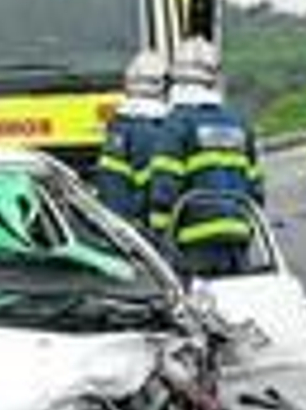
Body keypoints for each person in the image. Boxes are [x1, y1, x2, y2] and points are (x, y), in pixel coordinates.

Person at [147, 39, 264, 276]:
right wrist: (246, 229)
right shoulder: (239, 123)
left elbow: (164, 189)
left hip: (194, 247)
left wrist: (158, 238)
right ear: (213, 79)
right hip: (237, 241)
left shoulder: (176, 124)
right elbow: (256, 189)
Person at [94, 52, 170, 229]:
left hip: (114, 224)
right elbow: (152, 186)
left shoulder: (120, 126)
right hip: (136, 227)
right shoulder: (151, 129)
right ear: (162, 85)